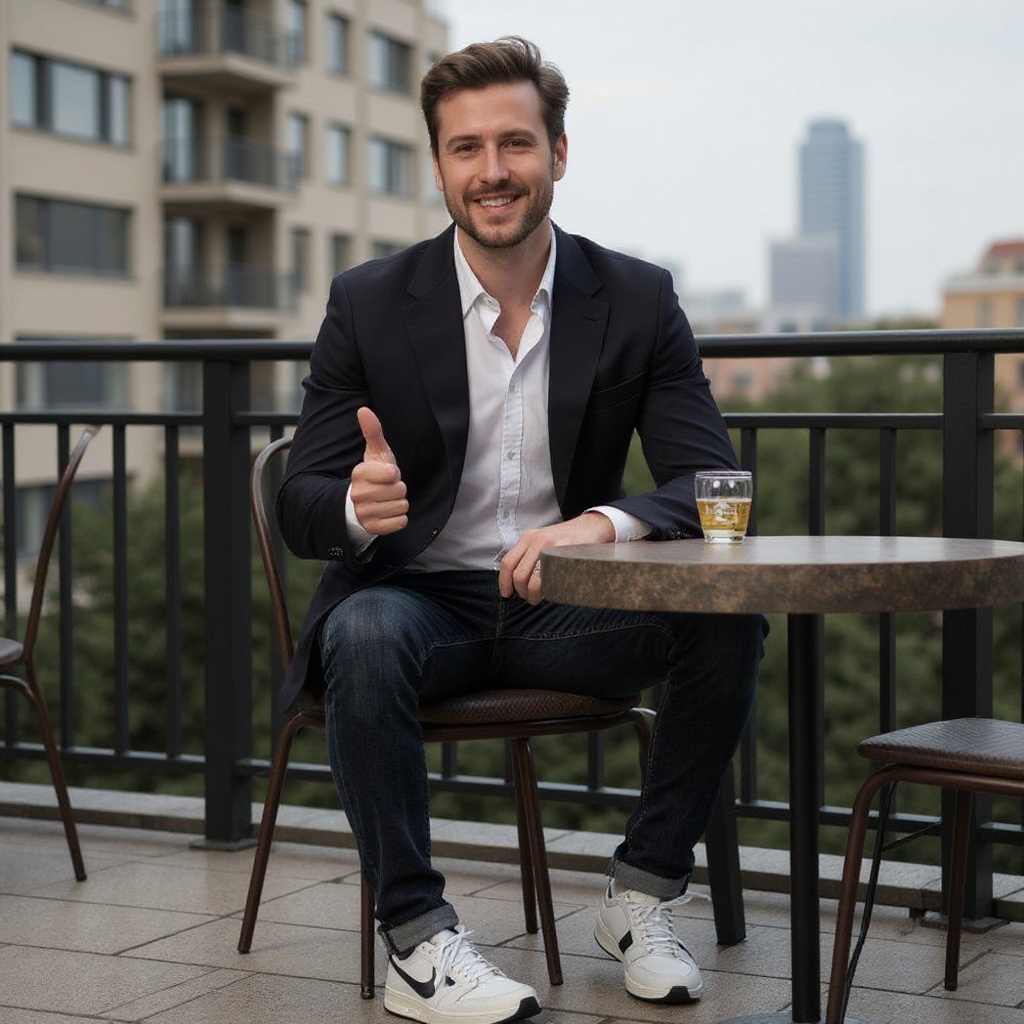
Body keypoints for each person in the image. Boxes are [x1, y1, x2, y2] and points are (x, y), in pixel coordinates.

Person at [277, 35, 765, 1024]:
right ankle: (416, 942)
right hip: (417, 601)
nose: (491, 171)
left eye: (514, 144)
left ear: (558, 153)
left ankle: (639, 899)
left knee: (728, 615)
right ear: (440, 165)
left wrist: (598, 524)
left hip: (564, 606)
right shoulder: (369, 303)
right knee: (361, 632)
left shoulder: (633, 297)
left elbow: (714, 481)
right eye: (466, 149)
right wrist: (346, 505)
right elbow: (300, 500)